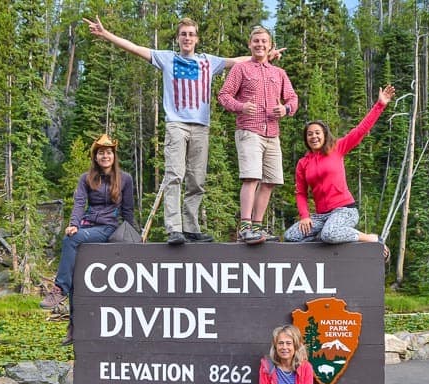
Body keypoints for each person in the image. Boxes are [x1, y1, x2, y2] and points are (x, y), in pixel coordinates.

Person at [84, 17, 281, 246]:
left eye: (191, 34)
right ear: (178, 38)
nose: (187, 38)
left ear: (197, 38)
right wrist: (107, 34)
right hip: (176, 125)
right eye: (183, 34)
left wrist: (266, 56)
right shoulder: (167, 59)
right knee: (174, 175)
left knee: (196, 179)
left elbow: (238, 61)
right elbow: (135, 48)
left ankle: (191, 227)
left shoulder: (209, 61)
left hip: (201, 126)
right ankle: (174, 228)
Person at [39, 134, 135, 345]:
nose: (105, 155)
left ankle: (59, 289)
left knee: (70, 240)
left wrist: (135, 237)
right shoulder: (86, 178)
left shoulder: (125, 179)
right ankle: (74, 326)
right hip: (87, 226)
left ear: (114, 155)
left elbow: (128, 210)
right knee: (75, 266)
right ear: (95, 156)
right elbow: (79, 203)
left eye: (108, 152)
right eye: (101, 152)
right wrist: (74, 223)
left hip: (107, 228)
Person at [283, 85, 396, 261]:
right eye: (310, 134)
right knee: (291, 236)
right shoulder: (303, 163)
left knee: (330, 234)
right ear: (306, 139)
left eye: (317, 133)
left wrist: (380, 105)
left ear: (324, 135)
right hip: (321, 216)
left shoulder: (337, 148)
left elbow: (361, 130)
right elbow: (300, 193)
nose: (314, 137)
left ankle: (373, 239)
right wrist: (305, 217)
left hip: (344, 210)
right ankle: (328, 234)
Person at [217, 26, 298, 245]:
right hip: (249, 130)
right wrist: (241, 106)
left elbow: (292, 98)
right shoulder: (241, 69)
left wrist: (286, 110)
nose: (260, 45)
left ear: (270, 45)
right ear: (249, 44)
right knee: (252, 177)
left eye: (264, 41)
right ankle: (245, 226)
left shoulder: (278, 73)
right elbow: (224, 95)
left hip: (272, 132)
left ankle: (257, 226)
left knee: (270, 181)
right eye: (256, 41)